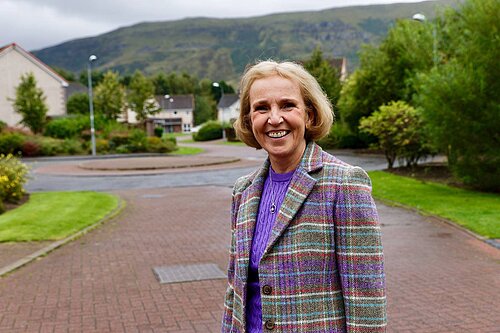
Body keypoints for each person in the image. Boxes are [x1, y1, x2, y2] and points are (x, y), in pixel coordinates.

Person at [221, 60, 386, 333]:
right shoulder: (244, 190)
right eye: (262, 108)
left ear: (309, 115)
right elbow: (235, 289)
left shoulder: (344, 183)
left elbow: (366, 296)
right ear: (250, 120)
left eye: (287, 105)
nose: (274, 118)